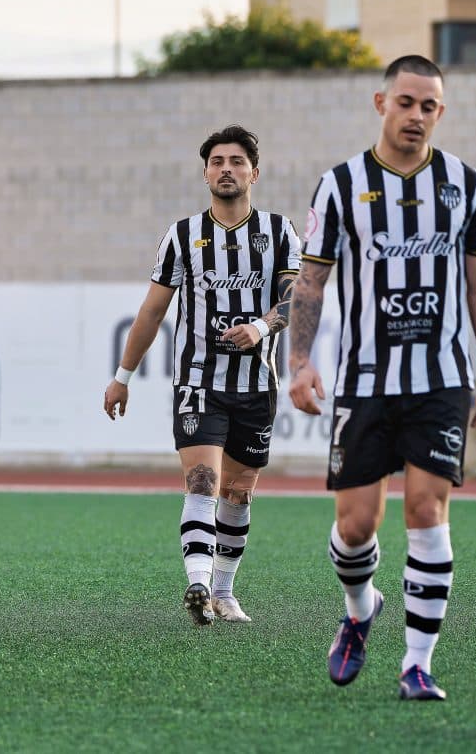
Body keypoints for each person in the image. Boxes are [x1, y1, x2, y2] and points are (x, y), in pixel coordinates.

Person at [289, 55, 476, 702]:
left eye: (429, 106)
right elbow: (311, 282)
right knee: (356, 526)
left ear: (441, 112)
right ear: (381, 102)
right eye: (406, 102)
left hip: (442, 379)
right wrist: (299, 363)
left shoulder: (467, 186)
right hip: (364, 380)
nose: (416, 116)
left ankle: (418, 663)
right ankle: (360, 610)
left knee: (426, 510)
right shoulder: (339, 185)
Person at [103, 126, 301, 625]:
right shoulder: (183, 235)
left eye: (237, 161)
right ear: (206, 172)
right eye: (217, 161)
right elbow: (151, 312)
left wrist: (261, 326)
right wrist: (123, 375)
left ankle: (225, 591)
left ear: (255, 172)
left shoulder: (279, 232)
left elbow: (298, 298)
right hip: (198, 381)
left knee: (238, 492)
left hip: (257, 385)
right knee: (203, 481)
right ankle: (198, 583)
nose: (226, 168)